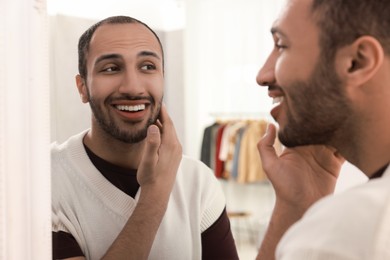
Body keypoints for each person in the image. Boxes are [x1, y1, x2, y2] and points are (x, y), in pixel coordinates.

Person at [51, 16, 238, 260]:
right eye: (111, 68)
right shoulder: (44, 181)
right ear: (82, 87)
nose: (133, 87)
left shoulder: (197, 181)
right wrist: (156, 193)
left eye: (148, 66)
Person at [255, 0, 390, 259]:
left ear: (356, 62)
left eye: (281, 45)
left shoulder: (348, 235)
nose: (263, 75)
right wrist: (296, 202)